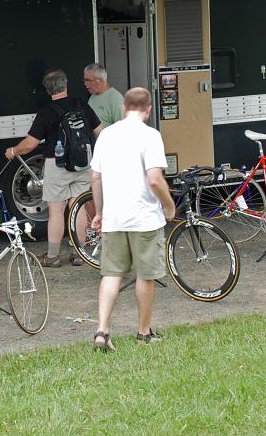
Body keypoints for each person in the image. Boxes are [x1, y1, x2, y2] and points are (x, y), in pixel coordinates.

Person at [89, 87, 175, 351]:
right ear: (148, 110)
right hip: (145, 218)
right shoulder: (150, 136)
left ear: (125, 108)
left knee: (112, 273)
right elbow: (154, 179)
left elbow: (95, 178)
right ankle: (144, 332)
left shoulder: (106, 135)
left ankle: (102, 331)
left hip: (114, 217)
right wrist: (169, 206)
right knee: (145, 276)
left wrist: (100, 213)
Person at [4, 68, 102, 267]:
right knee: (78, 206)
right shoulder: (81, 104)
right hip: (83, 164)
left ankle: (52, 256)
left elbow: (30, 144)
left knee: (56, 210)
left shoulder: (47, 112)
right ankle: (79, 253)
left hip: (57, 165)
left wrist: (13, 151)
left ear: (48, 90)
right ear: (66, 84)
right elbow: (100, 131)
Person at [83, 63, 125, 128]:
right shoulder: (93, 96)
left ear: (100, 80)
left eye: (88, 80)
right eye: (85, 80)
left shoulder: (115, 99)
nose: (85, 84)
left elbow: (123, 128)